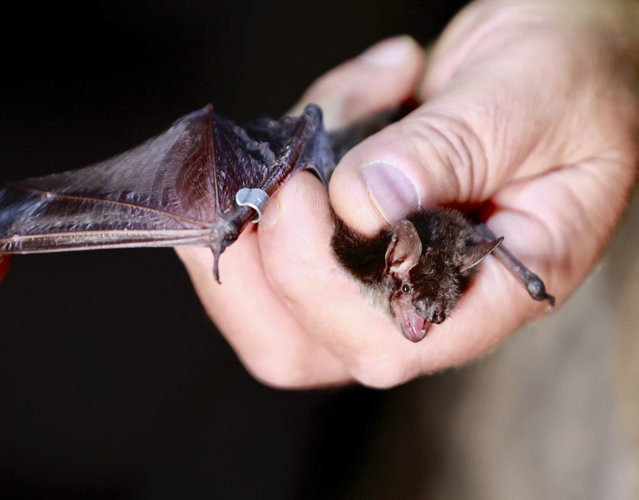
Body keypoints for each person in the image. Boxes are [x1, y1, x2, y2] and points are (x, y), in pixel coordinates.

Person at [176, 0, 639, 389]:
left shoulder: (436, 245)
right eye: (428, 308)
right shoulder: (391, 236)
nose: (427, 320)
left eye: (432, 313)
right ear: (396, 256)